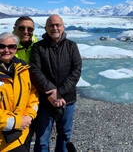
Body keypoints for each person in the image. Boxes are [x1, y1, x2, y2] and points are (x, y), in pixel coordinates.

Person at [30, 14, 82, 152]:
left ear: (63, 27)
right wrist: (51, 92)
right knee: (42, 139)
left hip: (67, 99)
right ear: (46, 28)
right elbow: (35, 71)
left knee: (65, 136)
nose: (54, 28)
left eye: (57, 25)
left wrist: (60, 92)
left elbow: (76, 70)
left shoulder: (71, 46)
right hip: (45, 99)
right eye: (51, 25)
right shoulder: (38, 47)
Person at [0, 32, 39, 152]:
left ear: (16, 48)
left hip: (21, 136)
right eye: (2, 46)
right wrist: (16, 122)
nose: (6, 50)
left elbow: (32, 95)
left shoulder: (22, 69)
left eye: (11, 46)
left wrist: (29, 116)